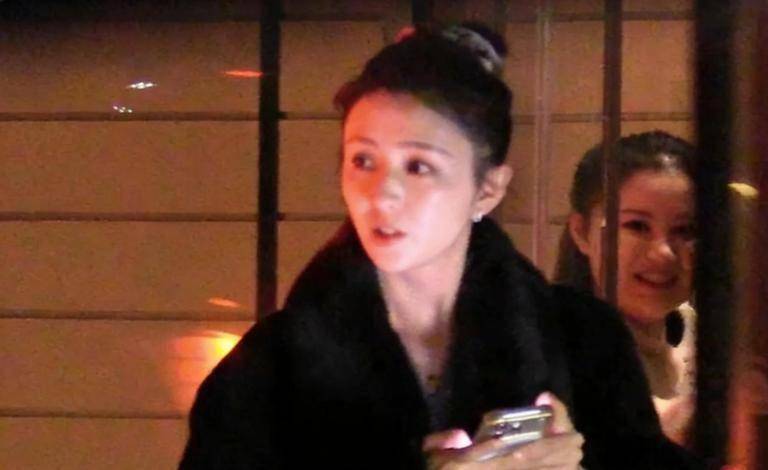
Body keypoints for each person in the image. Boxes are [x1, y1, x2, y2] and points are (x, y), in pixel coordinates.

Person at [180, 24, 700, 469]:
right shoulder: (272, 367)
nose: (383, 193)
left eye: (419, 166)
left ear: (487, 189)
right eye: (363, 161)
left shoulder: (583, 341)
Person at [554, 131, 697, 446]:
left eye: (684, 230)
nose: (664, 252)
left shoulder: (700, 335)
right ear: (581, 232)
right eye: (637, 226)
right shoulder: (550, 348)